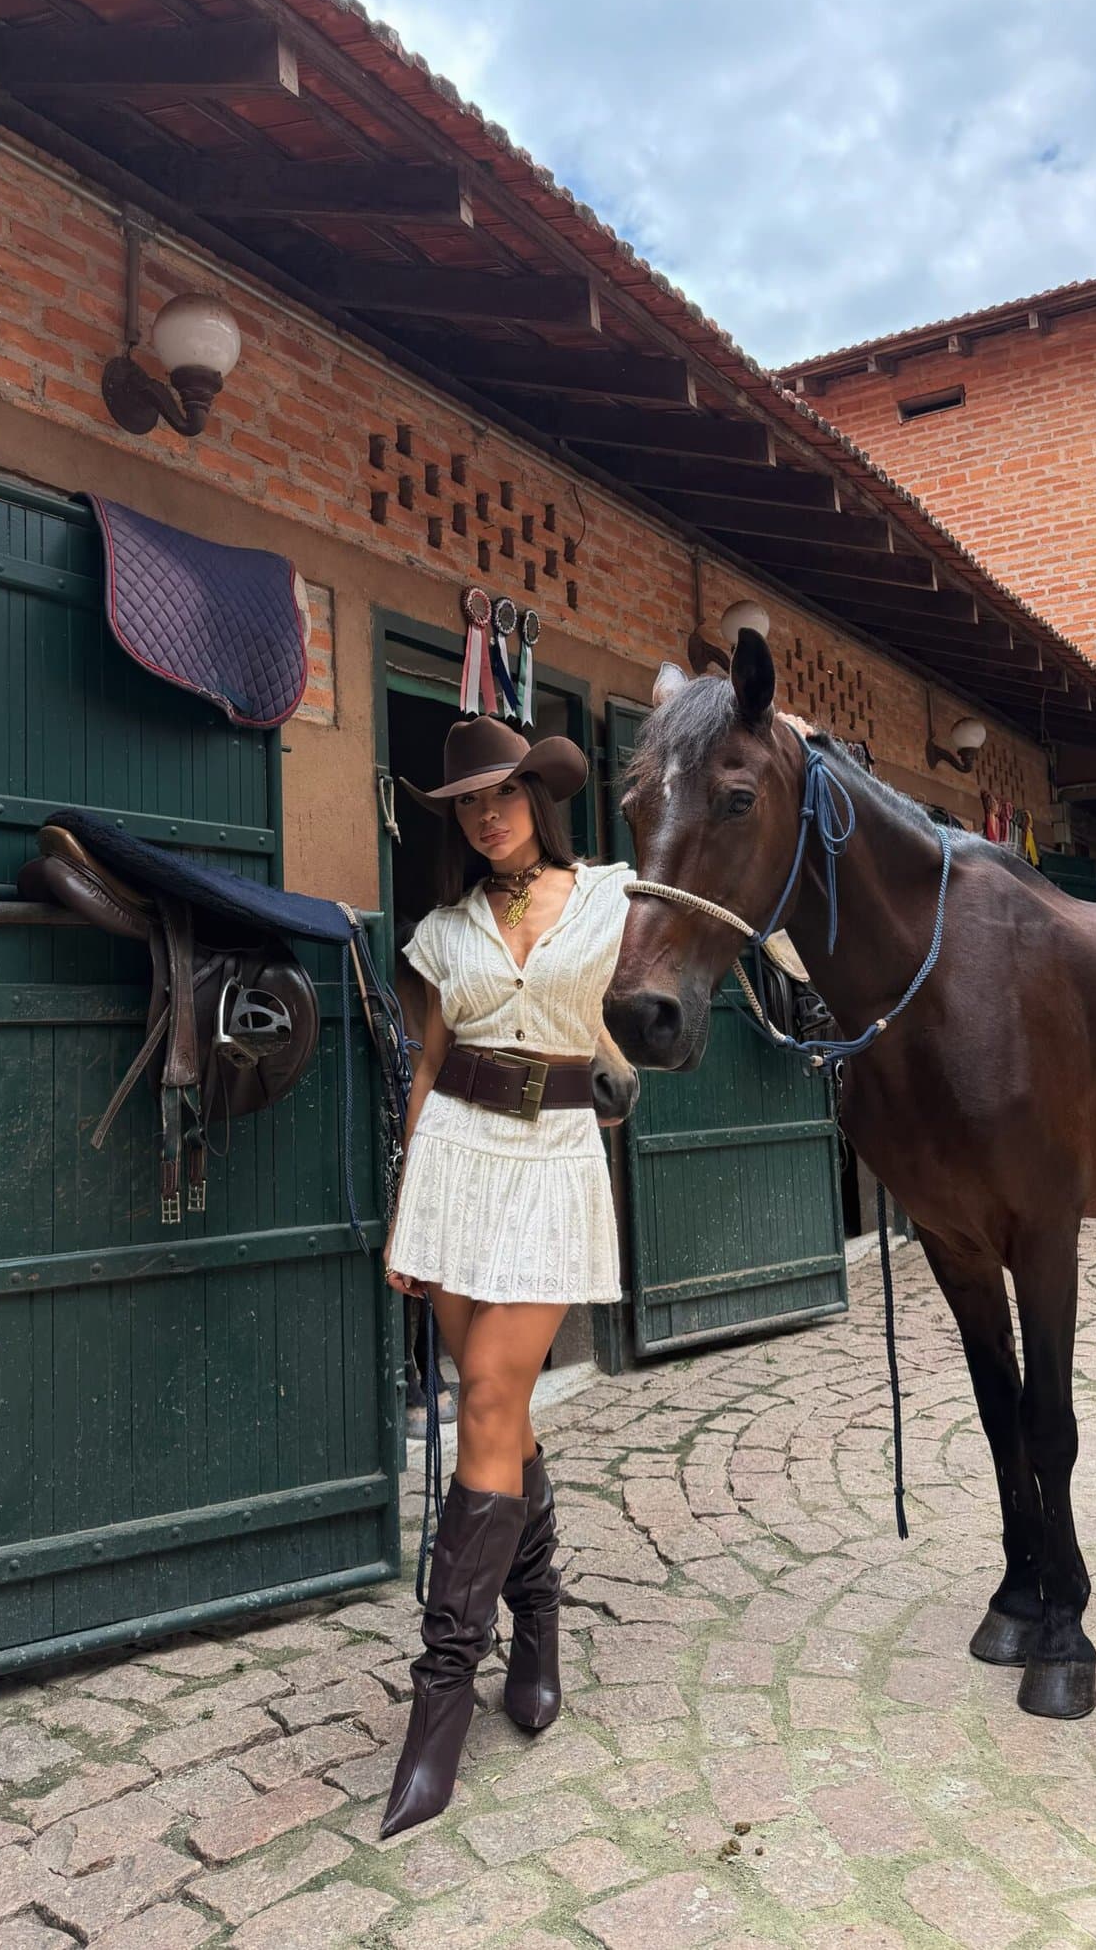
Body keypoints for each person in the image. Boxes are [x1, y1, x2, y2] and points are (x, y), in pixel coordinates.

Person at [379, 713, 630, 1837]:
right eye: (468, 805)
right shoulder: (441, 932)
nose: (487, 818)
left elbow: (722, 950)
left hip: (552, 1162)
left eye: (503, 796)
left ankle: (435, 1714)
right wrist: (402, 1216)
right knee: (502, 1410)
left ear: (541, 795)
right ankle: (536, 1623)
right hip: (453, 1165)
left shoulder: (618, 900)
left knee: (486, 1395)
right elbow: (428, 1066)